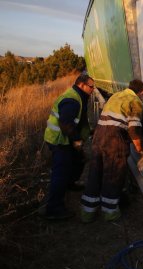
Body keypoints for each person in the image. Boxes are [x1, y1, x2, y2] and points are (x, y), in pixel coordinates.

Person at [80, 79, 143, 222]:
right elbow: (133, 129)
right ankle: (109, 212)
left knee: (95, 172)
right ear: (141, 92)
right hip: (114, 141)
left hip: (98, 137)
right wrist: (140, 149)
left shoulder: (116, 96)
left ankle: (87, 212)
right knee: (113, 175)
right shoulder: (135, 101)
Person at [42, 74, 95, 220]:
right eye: (91, 86)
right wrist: (77, 140)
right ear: (81, 85)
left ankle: (70, 183)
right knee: (60, 173)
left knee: (78, 160)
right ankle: (54, 209)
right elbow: (66, 123)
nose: (93, 89)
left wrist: (88, 132)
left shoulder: (80, 97)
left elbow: (79, 121)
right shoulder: (72, 100)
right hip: (59, 141)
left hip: (65, 139)